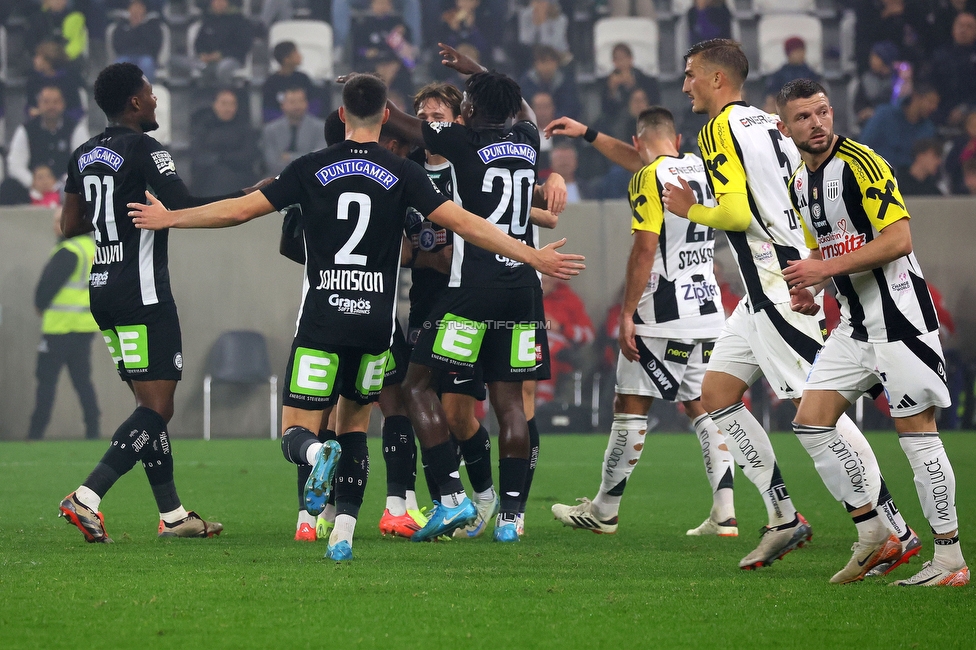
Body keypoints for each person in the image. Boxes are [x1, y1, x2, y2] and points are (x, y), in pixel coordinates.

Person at [128, 73, 583, 560]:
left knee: (297, 430)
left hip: (323, 318)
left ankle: (313, 462)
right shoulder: (403, 171)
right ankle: (344, 534)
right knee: (355, 427)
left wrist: (173, 217)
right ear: (387, 116)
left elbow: (239, 211)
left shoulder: (308, 167)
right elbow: (466, 223)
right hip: (375, 327)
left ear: (342, 115)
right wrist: (531, 256)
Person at [660, 38, 917, 573]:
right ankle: (782, 516)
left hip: (775, 282)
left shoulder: (718, 128)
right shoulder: (762, 120)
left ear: (714, 79)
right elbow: (790, 194)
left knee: (819, 409)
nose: (683, 84)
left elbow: (732, 212)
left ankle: (890, 527)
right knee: (717, 392)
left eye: (689, 75)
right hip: (769, 284)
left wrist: (691, 208)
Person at [777, 78, 968, 587]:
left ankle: (949, 558)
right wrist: (813, 284)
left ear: (831, 112)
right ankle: (876, 533)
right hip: (854, 328)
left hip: (901, 320)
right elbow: (829, 248)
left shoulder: (861, 163)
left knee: (917, 438)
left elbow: (899, 238)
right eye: (803, 117)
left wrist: (823, 267)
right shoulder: (800, 182)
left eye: (821, 112)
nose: (816, 123)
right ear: (785, 126)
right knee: (811, 423)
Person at [382, 44, 566, 543]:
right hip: (523, 292)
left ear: (468, 111)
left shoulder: (461, 142)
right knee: (510, 404)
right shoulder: (528, 138)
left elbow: (395, 120)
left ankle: (450, 495)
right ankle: (510, 518)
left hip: (471, 291)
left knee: (416, 385)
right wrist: (480, 70)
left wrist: (366, 87)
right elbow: (523, 107)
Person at [57, 62, 237, 544]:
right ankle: (87, 496)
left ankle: (174, 516)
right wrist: (250, 195)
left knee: (146, 406)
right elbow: (183, 202)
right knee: (157, 409)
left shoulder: (83, 153)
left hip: (103, 288)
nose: (156, 100)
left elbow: (67, 226)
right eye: (151, 94)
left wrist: (109, 218)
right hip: (142, 292)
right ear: (135, 102)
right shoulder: (146, 148)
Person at [545, 107, 737, 537]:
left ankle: (604, 510)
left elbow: (644, 249)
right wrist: (589, 133)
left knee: (629, 406)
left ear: (638, 142)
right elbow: (643, 164)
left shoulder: (648, 178)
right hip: (707, 312)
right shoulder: (701, 169)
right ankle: (725, 511)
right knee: (702, 407)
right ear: (678, 141)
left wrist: (627, 313)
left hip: (662, 315)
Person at [28, 209, 100, 440]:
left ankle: (35, 434)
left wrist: (39, 305)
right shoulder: (92, 249)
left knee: (46, 382)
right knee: (83, 382)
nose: (55, 226)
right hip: (84, 327)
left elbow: (46, 289)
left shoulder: (68, 251)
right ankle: (93, 430)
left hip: (59, 328)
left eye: (60, 221)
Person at [7, 85, 89, 199]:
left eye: (56, 102)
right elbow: (15, 164)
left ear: (63, 104)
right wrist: (33, 182)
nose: (51, 106)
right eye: (46, 102)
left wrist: (58, 184)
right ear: (39, 104)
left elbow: (84, 162)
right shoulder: (25, 130)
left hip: (66, 188)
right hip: (32, 189)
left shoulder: (76, 129)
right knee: (8, 187)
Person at [189, 89, 260, 196]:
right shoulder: (203, 128)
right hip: (208, 180)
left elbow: (248, 155)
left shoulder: (245, 129)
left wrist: (220, 158)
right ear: (215, 105)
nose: (228, 109)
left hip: (240, 178)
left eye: (232, 104)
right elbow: (198, 156)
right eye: (224, 104)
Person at [860, 84, 940, 173]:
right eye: (930, 102)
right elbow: (864, 145)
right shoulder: (884, 115)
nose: (934, 107)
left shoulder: (928, 130)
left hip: (906, 181)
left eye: (936, 104)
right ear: (916, 97)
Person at [261, 87, 327, 176]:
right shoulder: (270, 130)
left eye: (301, 101)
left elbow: (319, 159)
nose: (297, 106)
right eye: (292, 102)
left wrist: (289, 157)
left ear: (306, 103)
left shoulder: (321, 127)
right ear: (282, 105)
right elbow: (272, 164)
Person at [193, 0, 256, 87]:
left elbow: (243, 46)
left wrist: (221, 55)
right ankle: (203, 95)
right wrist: (202, 54)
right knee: (189, 65)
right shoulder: (208, 21)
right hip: (208, 59)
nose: (219, 4)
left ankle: (224, 93)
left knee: (223, 68)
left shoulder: (239, 21)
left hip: (232, 58)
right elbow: (198, 43)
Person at [930, 12, 976, 126]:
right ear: (953, 29)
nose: (964, 30)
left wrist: (966, 108)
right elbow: (931, 83)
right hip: (941, 109)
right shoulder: (940, 55)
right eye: (960, 25)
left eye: (969, 27)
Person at [518, 45, 582, 121]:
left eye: (551, 61)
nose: (547, 66)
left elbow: (571, 108)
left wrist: (552, 119)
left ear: (557, 63)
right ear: (535, 64)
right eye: (543, 61)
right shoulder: (526, 83)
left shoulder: (565, 82)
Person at [600, 43, 660, 123]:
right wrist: (612, 91)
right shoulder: (607, 82)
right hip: (618, 122)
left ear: (631, 59)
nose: (621, 62)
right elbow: (606, 110)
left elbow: (655, 102)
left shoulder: (646, 80)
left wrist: (632, 85)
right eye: (617, 59)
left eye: (623, 58)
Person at [262, 42, 319, 123]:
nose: (300, 55)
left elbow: (315, 104)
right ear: (286, 59)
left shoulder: (303, 78)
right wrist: (288, 120)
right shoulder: (271, 83)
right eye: (295, 52)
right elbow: (268, 111)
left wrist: (302, 118)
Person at [763, 37, 821, 114]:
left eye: (802, 50)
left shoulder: (812, 75)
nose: (801, 54)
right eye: (796, 51)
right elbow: (770, 97)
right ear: (789, 53)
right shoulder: (779, 75)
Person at [110, 0, 163, 82]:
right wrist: (132, 28)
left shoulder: (153, 24)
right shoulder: (122, 24)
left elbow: (155, 45)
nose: (136, 10)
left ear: (144, 9)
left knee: (146, 64)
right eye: (133, 7)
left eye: (139, 7)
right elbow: (117, 46)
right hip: (126, 55)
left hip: (146, 56)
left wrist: (141, 26)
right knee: (119, 65)